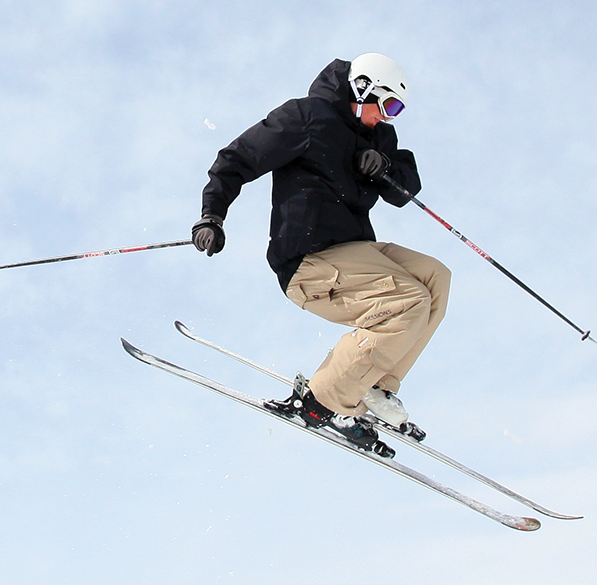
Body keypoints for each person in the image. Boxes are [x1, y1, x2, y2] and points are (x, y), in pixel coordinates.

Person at [192, 54, 451, 453]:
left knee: (436, 277)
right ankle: (323, 399)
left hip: (355, 251)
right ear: (361, 88)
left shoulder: (378, 137)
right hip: (308, 258)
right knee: (408, 301)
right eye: (385, 105)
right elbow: (237, 158)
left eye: (395, 109)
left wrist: (383, 166)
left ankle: (373, 387)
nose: (387, 117)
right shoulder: (307, 117)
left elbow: (405, 188)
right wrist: (212, 216)